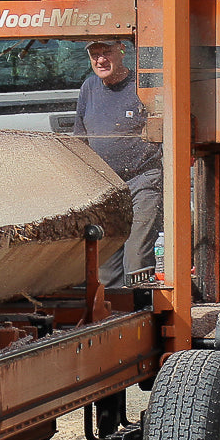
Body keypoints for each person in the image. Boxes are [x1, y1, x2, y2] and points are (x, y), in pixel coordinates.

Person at [73, 38, 162, 287]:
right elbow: (80, 138)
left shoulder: (142, 87)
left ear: (121, 51)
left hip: (142, 180)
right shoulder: (89, 88)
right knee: (106, 262)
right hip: (106, 184)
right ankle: (112, 315)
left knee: (136, 258)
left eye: (106, 52)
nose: (101, 60)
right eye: (95, 55)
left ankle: (142, 310)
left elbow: (165, 132)